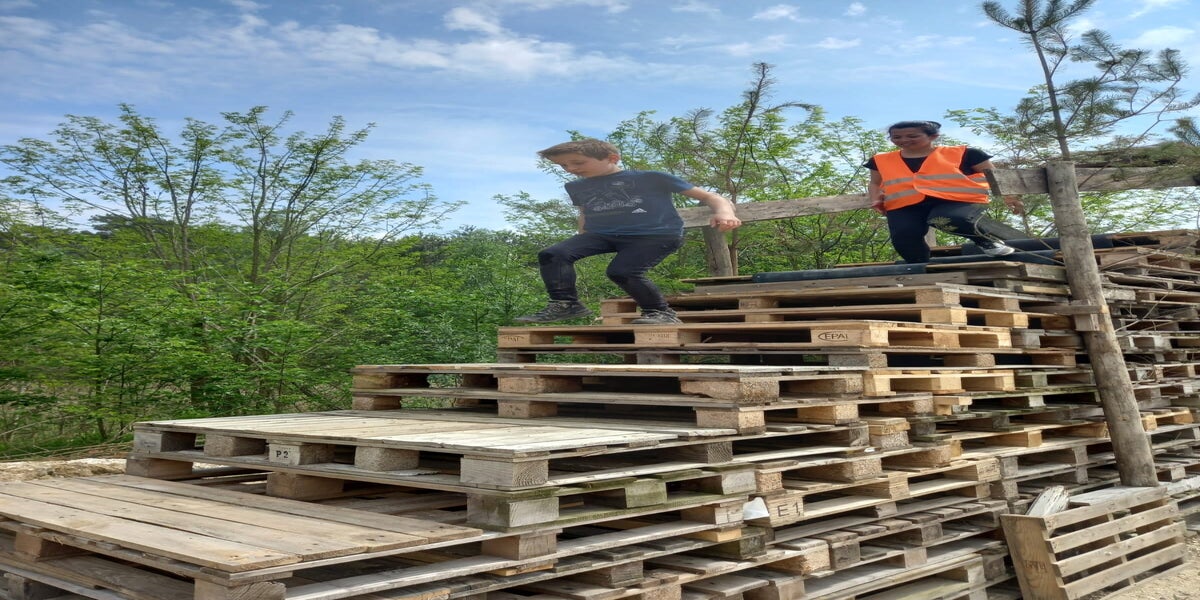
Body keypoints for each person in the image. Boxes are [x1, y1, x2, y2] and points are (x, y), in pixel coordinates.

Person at [515, 138, 741, 325]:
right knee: (553, 254)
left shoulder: (651, 178)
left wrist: (725, 213)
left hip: (654, 235)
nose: (571, 169)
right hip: (602, 235)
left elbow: (710, 196)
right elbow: (584, 211)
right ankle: (566, 304)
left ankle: (660, 313)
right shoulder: (575, 186)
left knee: (622, 271)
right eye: (563, 166)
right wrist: (580, 239)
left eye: (578, 163)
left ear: (612, 158)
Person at [865, 120, 1025, 264]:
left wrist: (1010, 197)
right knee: (904, 235)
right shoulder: (880, 160)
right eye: (896, 137)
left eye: (912, 136)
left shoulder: (966, 154)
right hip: (905, 204)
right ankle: (919, 265)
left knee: (944, 219)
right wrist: (875, 199)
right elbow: (874, 183)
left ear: (933, 136)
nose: (904, 140)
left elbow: (996, 177)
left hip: (957, 201)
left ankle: (986, 241)